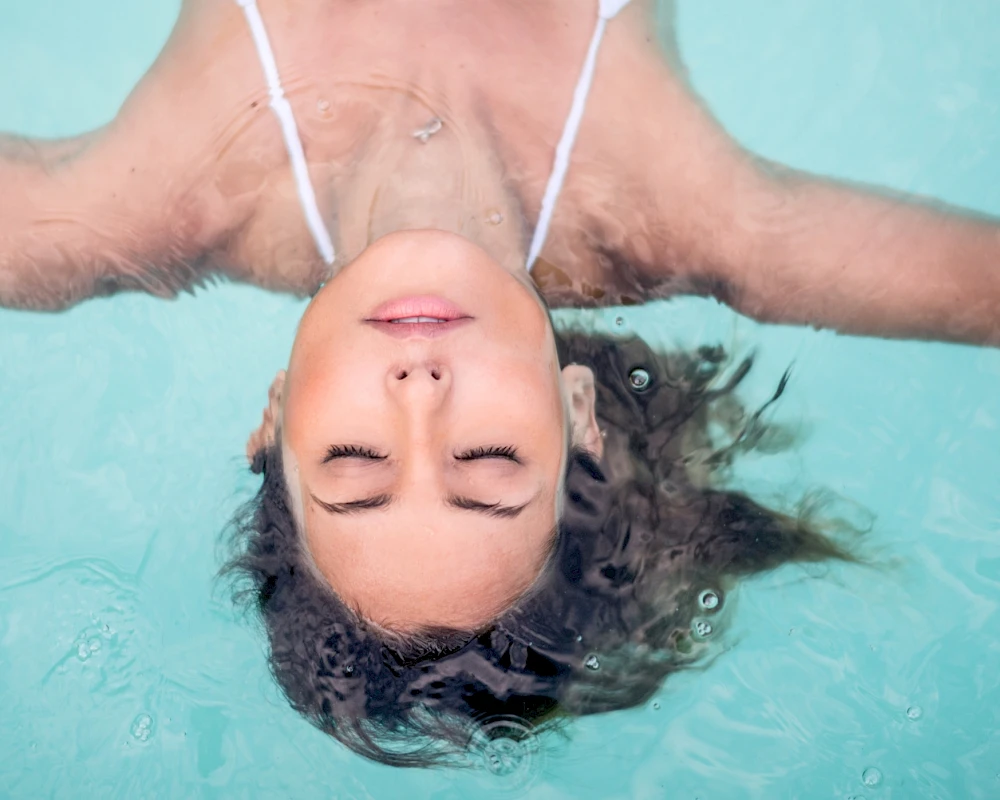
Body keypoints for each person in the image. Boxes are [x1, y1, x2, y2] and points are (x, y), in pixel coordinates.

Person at [0, 0, 995, 767]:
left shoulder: (123, 218)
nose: (420, 391)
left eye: (355, 459)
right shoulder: (714, 230)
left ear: (274, 412)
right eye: (486, 460)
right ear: (576, 414)